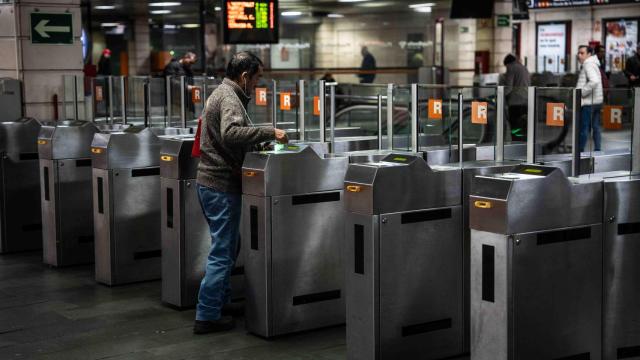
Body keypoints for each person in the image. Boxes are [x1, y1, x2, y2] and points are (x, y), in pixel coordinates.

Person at [193, 52, 288, 334]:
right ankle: (207, 315)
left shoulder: (221, 93)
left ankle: (221, 301)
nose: (258, 83)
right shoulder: (230, 97)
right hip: (220, 185)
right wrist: (269, 132)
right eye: (257, 77)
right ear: (245, 76)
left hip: (210, 183)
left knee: (229, 245)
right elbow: (231, 132)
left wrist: (256, 147)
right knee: (223, 251)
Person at [576, 45, 604, 152]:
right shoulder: (593, 64)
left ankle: (579, 152)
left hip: (589, 102)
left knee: (584, 128)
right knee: (595, 127)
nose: (579, 55)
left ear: (589, 54)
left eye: (582, 53)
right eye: (578, 53)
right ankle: (598, 150)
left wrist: (581, 92)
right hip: (596, 101)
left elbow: (594, 81)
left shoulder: (588, 64)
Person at [501, 54, 530, 141]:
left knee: (515, 126)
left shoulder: (511, 68)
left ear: (507, 63)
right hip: (526, 101)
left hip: (515, 102)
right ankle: (523, 144)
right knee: (523, 125)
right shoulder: (524, 68)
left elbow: (509, 87)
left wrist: (499, 95)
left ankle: (515, 144)